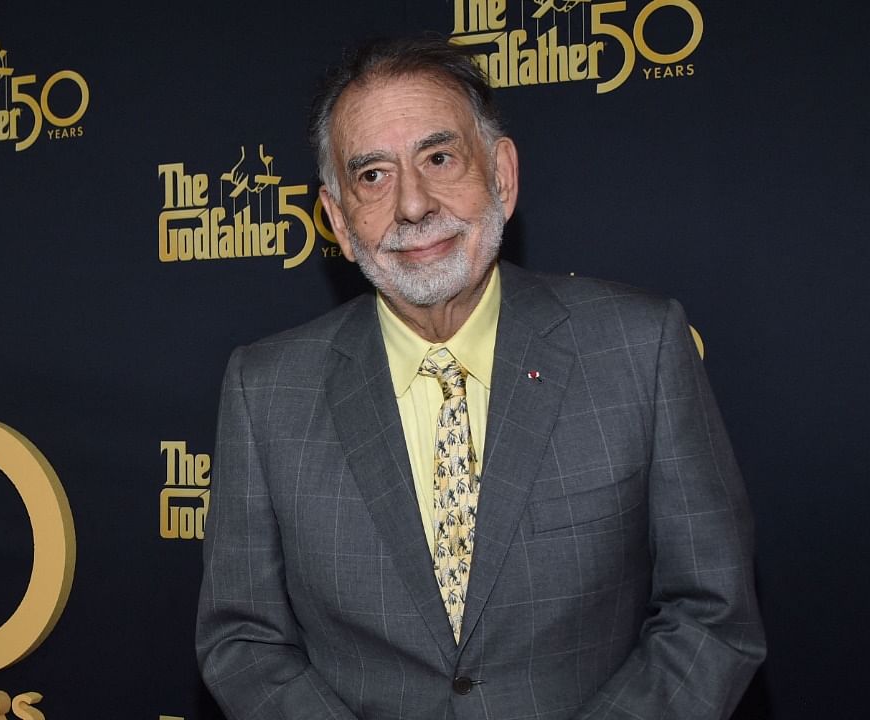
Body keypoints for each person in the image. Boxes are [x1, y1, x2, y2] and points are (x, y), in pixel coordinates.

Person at [196, 35, 764, 720]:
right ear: (339, 222)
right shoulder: (266, 389)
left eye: (439, 157)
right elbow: (244, 639)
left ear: (503, 173)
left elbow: (712, 614)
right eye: (372, 176)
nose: (413, 204)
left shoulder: (637, 347)